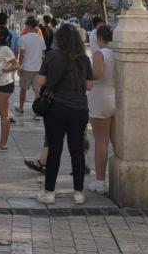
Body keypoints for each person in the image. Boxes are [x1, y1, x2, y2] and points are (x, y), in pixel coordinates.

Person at [35, 23, 94, 205]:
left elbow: (42, 80)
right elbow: (89, 86)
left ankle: (49, 192)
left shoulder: (51, 56)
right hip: (78, 109)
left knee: (55, 150)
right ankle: (78, 192)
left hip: (56, 109)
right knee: (77, 151)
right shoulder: (84, 59)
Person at [87, 24, 116, 193]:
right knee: (114, 139)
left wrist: (84, 72)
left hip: (101, 96)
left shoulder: (100, 54)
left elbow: (97, 74)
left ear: (99, 38)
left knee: (101, 141)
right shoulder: (117, 53)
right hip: (114, 95)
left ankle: (100, 180)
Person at [17, 17, 46, 119]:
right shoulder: (40, 38)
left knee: (23, 89)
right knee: (37, 90)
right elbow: (43, 54)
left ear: (28, 26)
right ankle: (38, 111)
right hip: (38, 67)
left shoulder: (23, 38)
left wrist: (18, 66)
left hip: (26, 67)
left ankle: (21, 107)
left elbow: (22, 54)